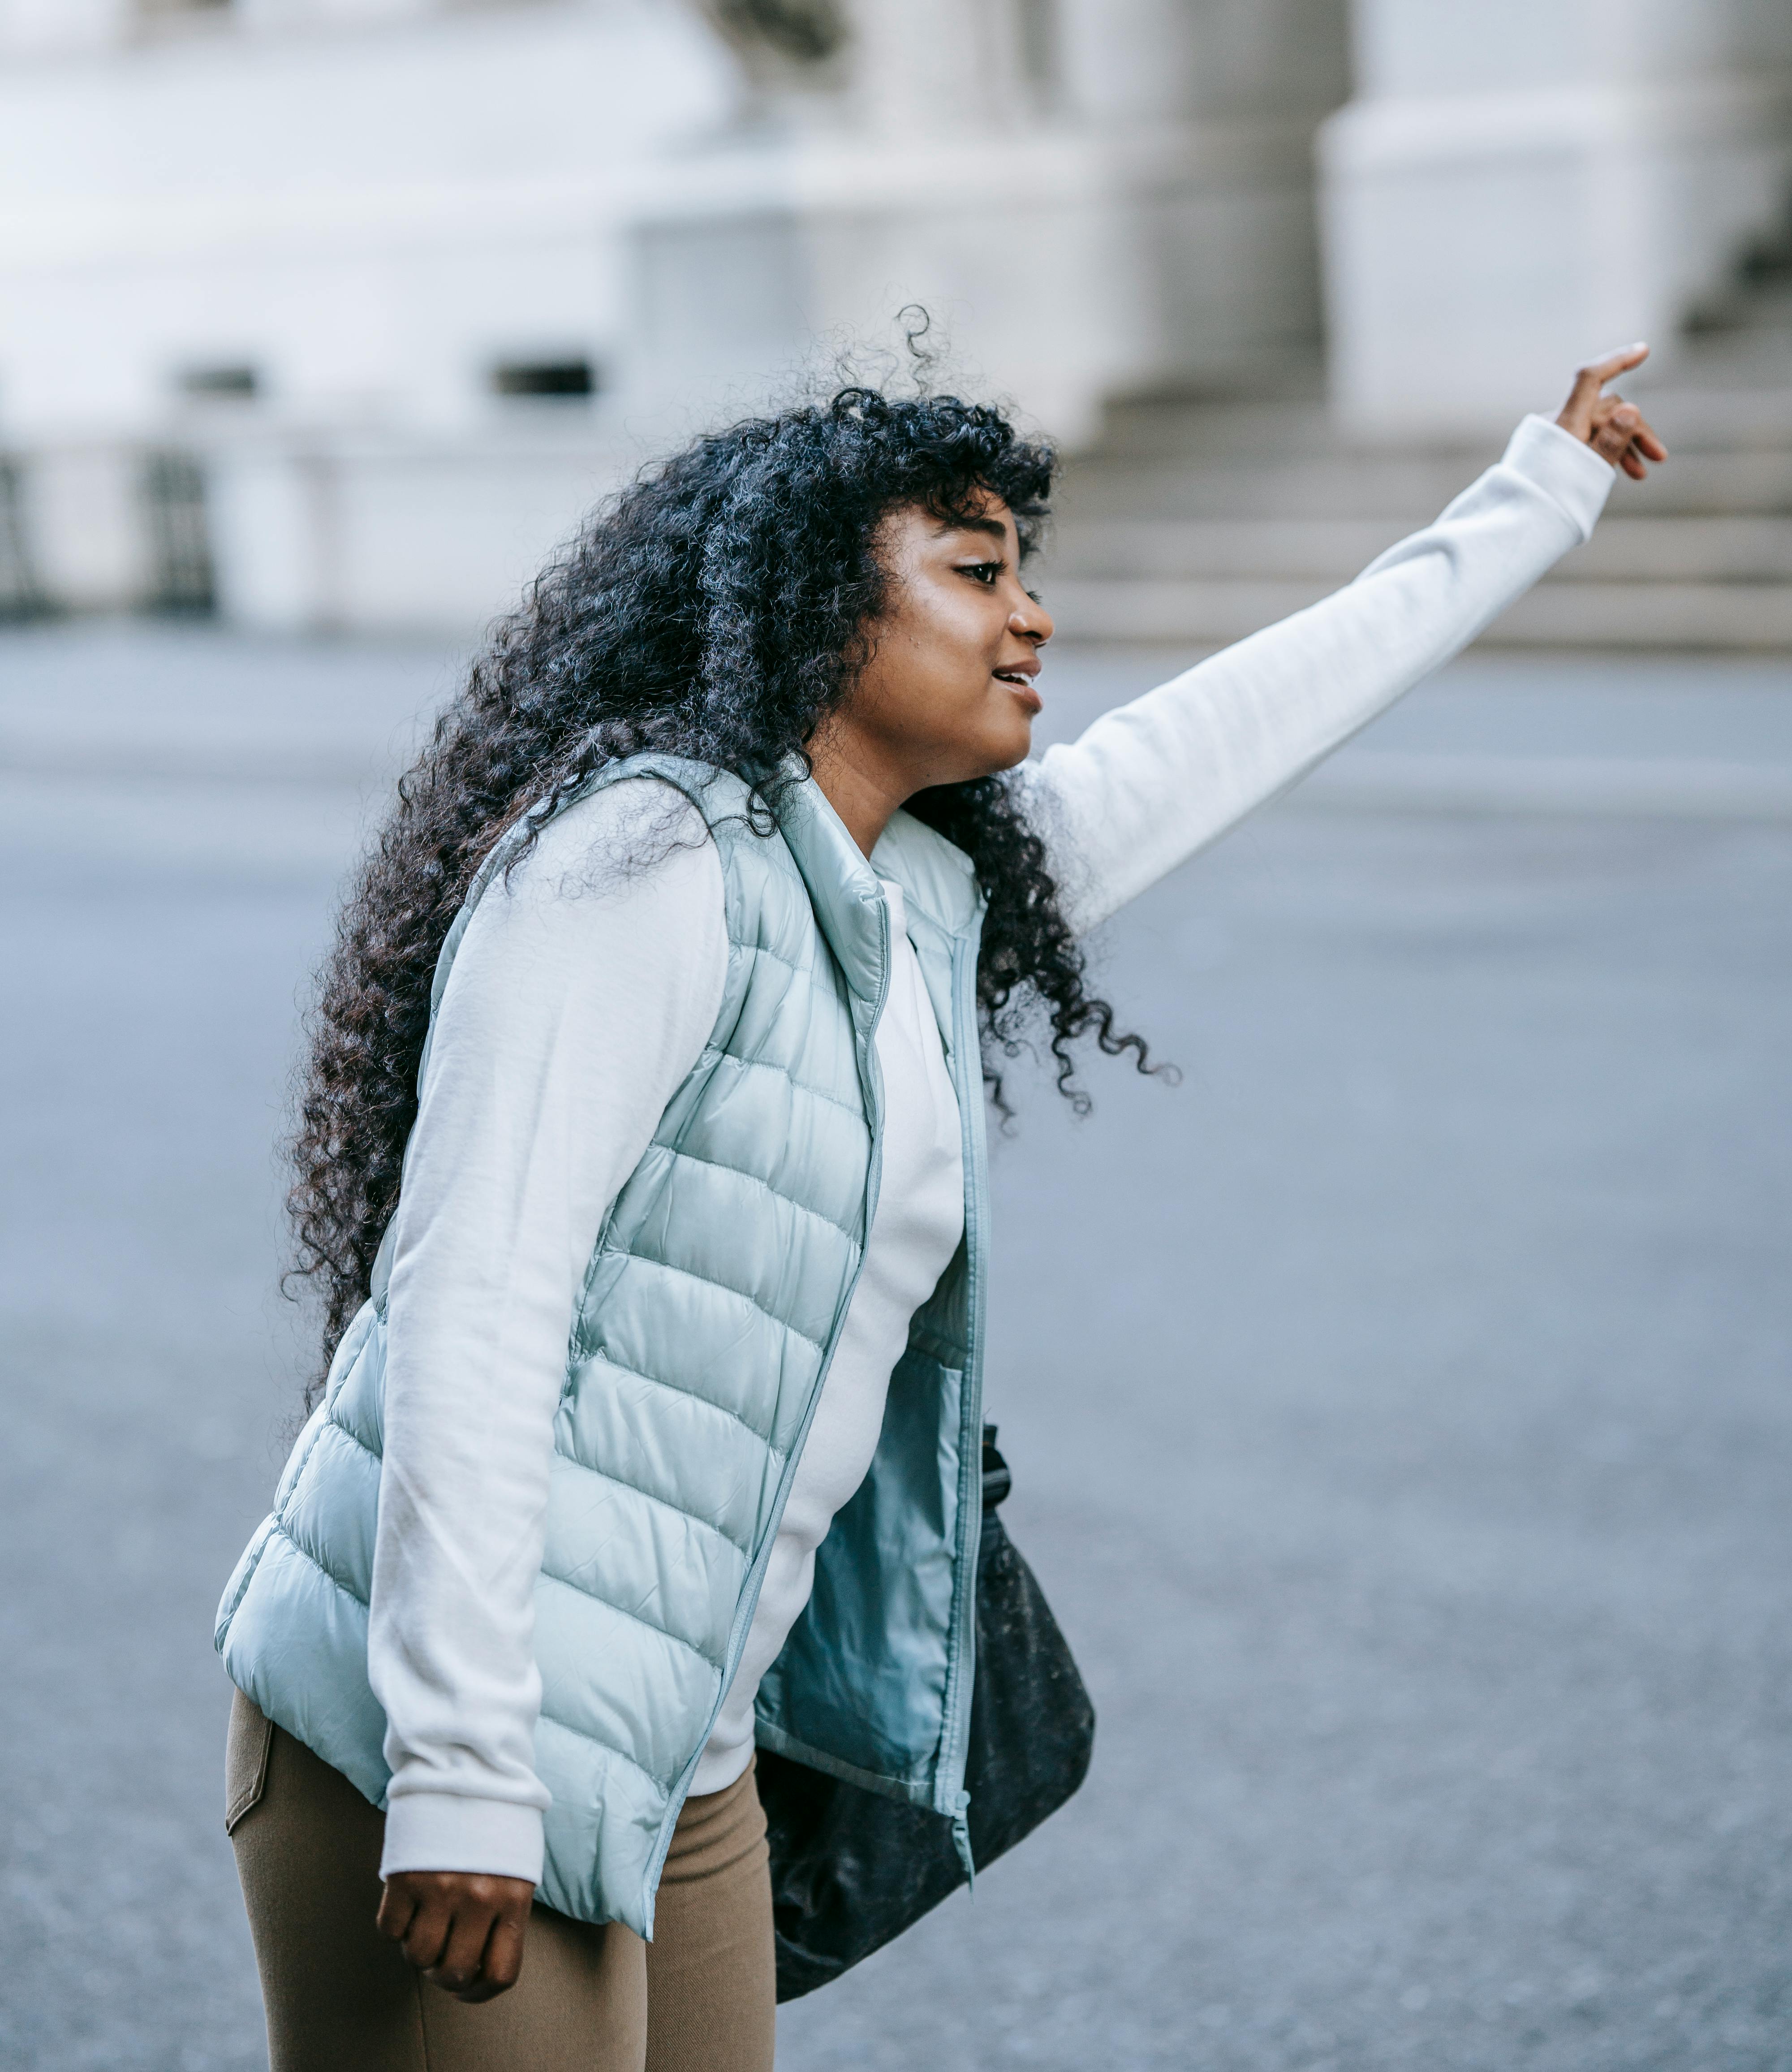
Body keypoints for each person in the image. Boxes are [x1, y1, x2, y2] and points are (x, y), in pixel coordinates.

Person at [216, 346, 1665, 2072]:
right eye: (976, 574)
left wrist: (1537, 496)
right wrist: (461, 1763)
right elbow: (475, 1304)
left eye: (1026, 574)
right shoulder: (642, 868)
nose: (1030, 618)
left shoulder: (918, 891)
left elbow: (1228, 731)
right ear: (817, 608)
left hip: (688, 1738)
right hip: (457, 1727)